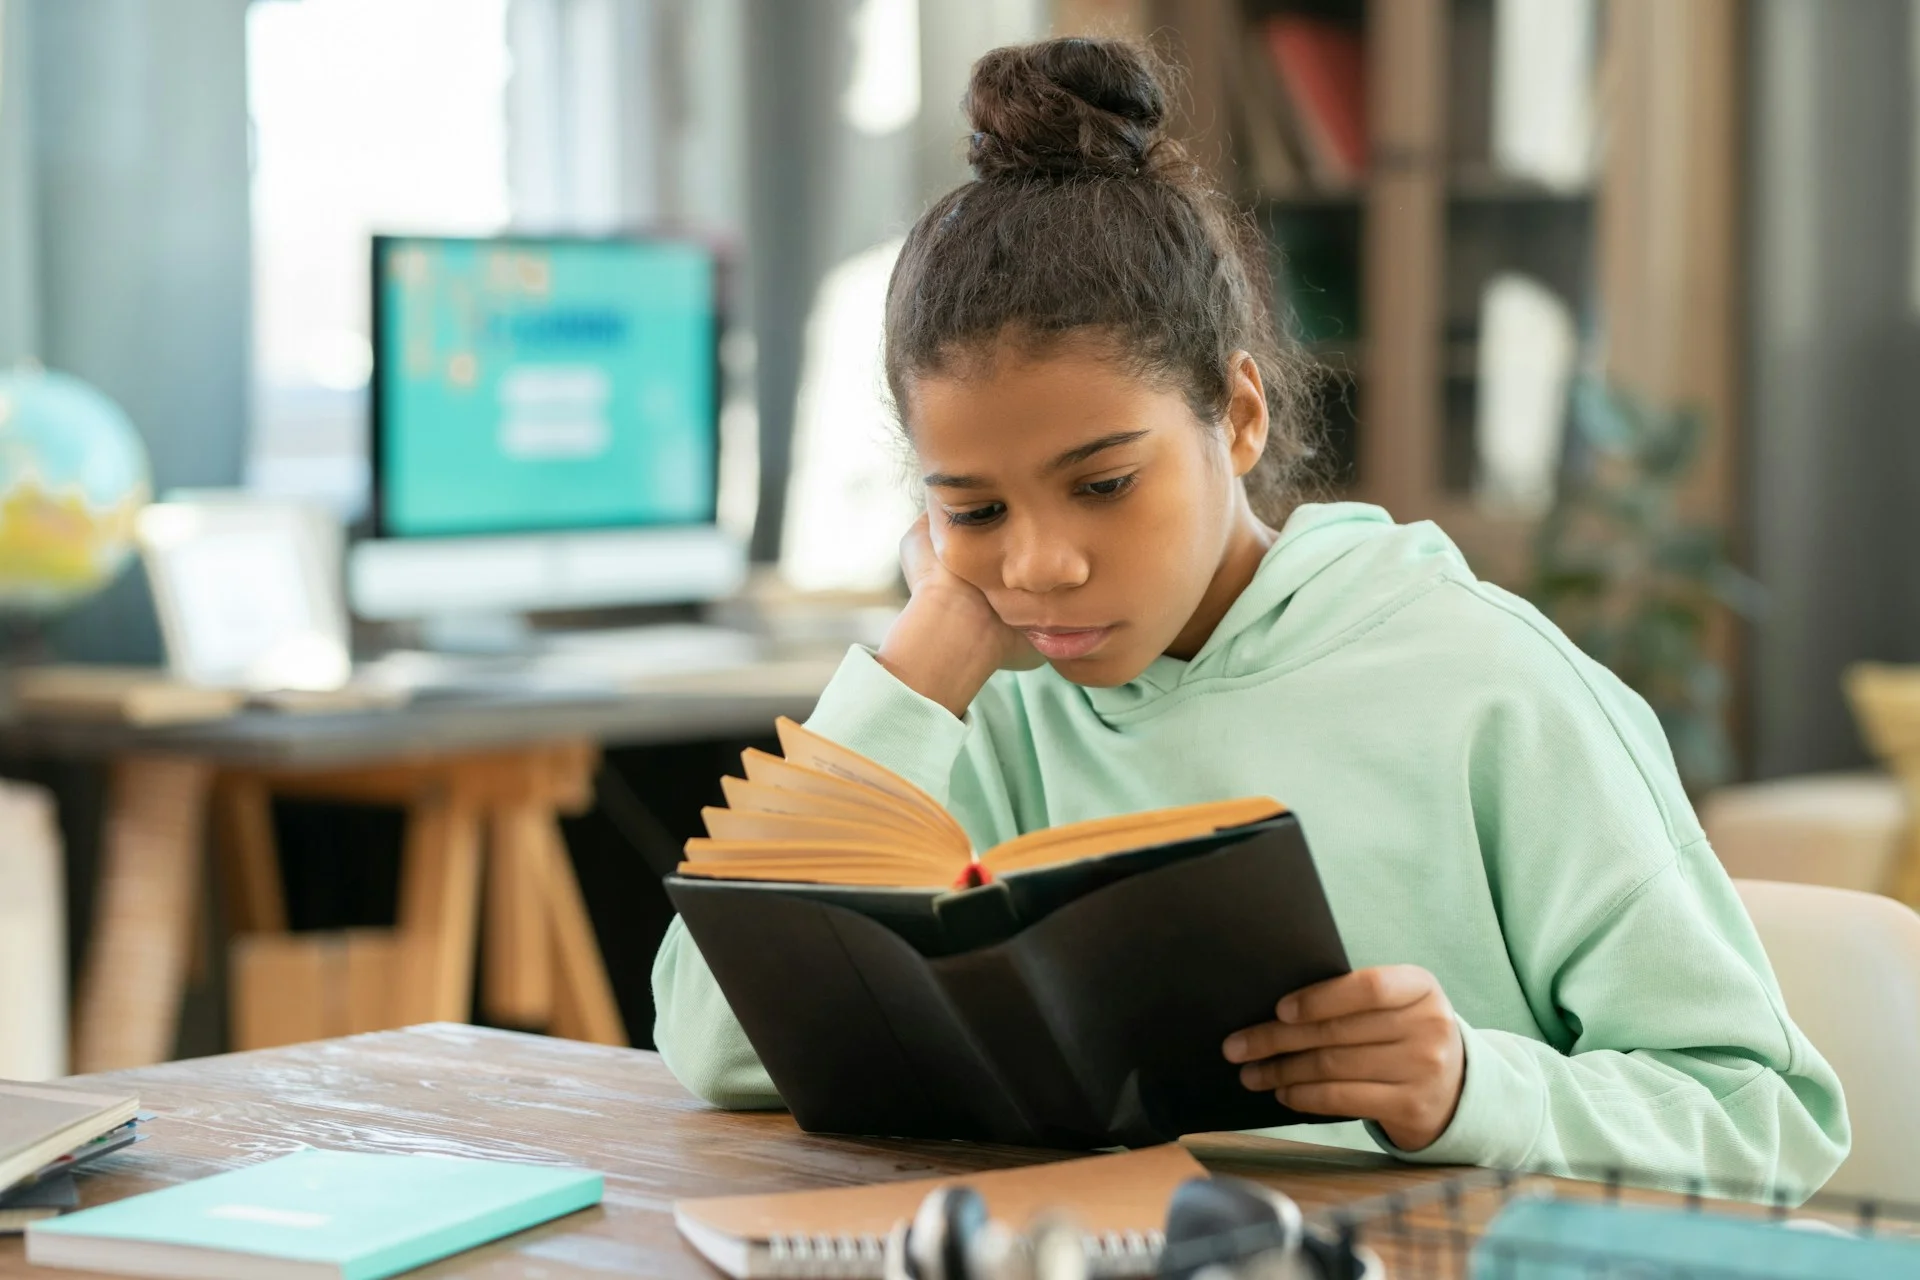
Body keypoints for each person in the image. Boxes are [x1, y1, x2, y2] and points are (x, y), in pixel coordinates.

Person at [652, 36, 1847, 1196]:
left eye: (1105, 483)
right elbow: (716, 1042)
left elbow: (1770, 1119)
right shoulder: (989, 696)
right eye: (971, 508)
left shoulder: (1492, 684)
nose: (1043, 564)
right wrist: (911, 682)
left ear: (1236, 414)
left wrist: (1474, 1085)